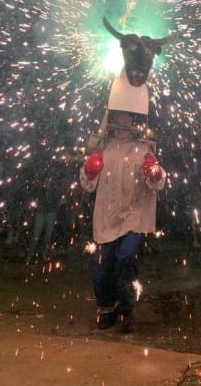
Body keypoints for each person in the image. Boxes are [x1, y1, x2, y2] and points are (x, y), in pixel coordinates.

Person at [80, 111, 166, 333]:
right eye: (117, 118)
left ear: (132, 121)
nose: (121, 123)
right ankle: (106, 309)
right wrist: (89, 171)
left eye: (126, 118)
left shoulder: (142, 149)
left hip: (132, 218)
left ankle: (126, 308)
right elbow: (87, 185)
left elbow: (157, 183)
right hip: (105, 219)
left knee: (126, 259)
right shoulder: (102, 147)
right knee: (102, 266)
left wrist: (155, 173)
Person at [26, 178, 60, 264]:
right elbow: (35, 201)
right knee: (36, 234)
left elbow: (57, 201)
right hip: (41, 213)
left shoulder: (54, 190)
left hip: (50, 213)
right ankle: (31, 254)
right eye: (45, 181)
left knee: (48, 235)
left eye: (48, 181)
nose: (47, 183)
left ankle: (44, 253)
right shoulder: (39, 190)